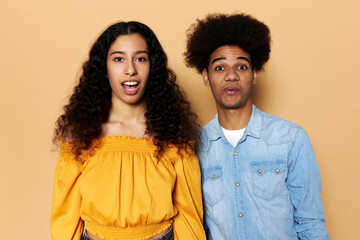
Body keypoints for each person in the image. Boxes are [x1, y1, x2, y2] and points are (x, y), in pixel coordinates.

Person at [51, 21, 206, 240]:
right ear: (104, 68)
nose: (130, 69)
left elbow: (190, 217)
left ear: (152, 67)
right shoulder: (80, 137)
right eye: (119, 59)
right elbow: (65, 219)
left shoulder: (173, 136)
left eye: (140, 58)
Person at [184, 13, 330, 239]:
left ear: (255, 74)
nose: (231, 76)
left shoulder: (291, 139)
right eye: (220, 68)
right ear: (205, 76)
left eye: (241, 67)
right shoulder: (192, 149)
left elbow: (311, 225)